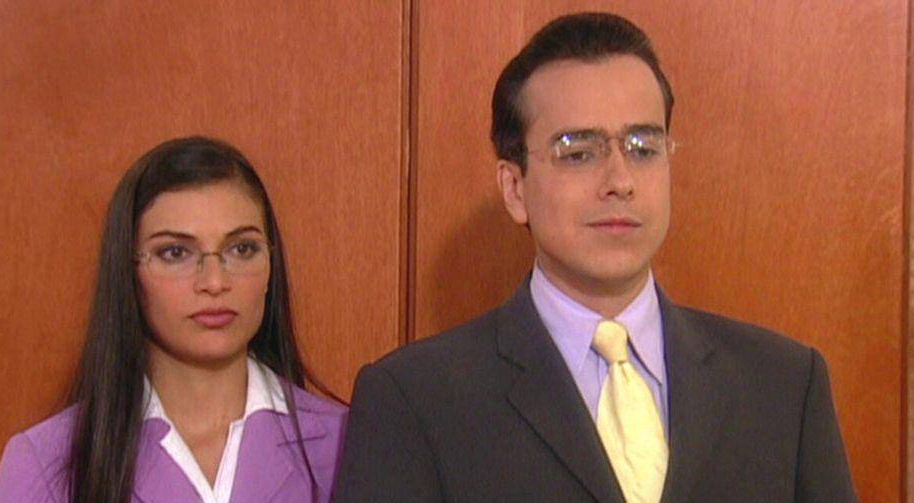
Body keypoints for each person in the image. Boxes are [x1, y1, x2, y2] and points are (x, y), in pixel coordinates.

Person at [334, 12, 856, 503]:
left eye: (642, 148)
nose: (620, 181)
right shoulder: (416, 400)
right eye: (578, 152)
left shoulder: (785, 384)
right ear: (514, 188)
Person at [0, 136, 346, 502]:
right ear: (128, 272)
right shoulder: (48, 462)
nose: (215, 282)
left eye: (242, 249)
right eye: (175, 253)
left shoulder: (347, 443)